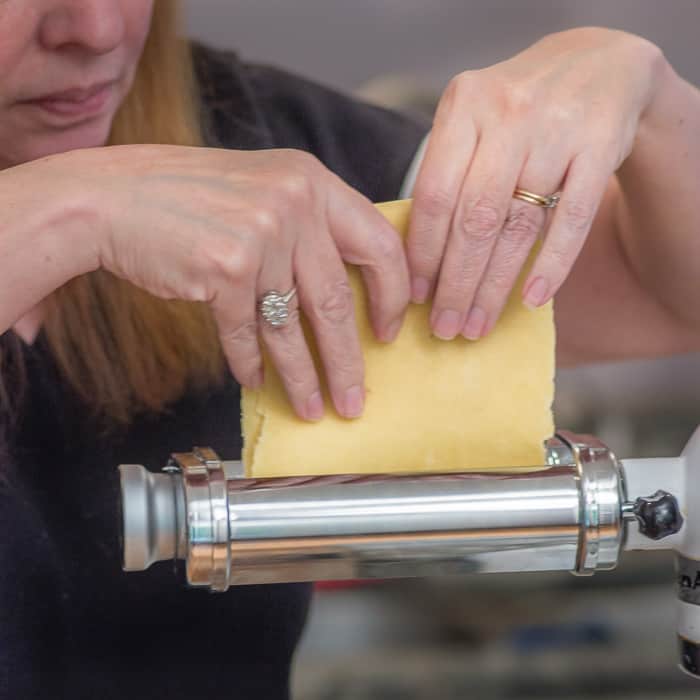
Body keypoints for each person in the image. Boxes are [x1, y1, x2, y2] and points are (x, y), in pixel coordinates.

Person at [0, 1, 698, 698]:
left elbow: (669, 295)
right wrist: (72, 212)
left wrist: (649, 92)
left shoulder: (241, 129)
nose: (94, 29)